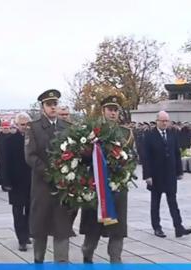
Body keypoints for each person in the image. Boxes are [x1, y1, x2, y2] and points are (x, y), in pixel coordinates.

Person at [79, 95, 134, 263]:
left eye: (116, 110)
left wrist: (125, 165)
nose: (113, 113)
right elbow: (82, 158)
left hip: (117, 188)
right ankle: (87, 255)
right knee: (92, 228)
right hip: (95, 185)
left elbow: (133, 157)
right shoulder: (92, 131)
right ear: (103, 111)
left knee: (117, 229)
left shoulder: (126, 133)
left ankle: (115, 260)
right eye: (110, 109)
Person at [25, 89, 75, 263]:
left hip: (63, 189)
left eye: (55, 104)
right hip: (42, 187)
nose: (53, 107)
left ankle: (62, 264)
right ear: (43, 107)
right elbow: (30, 156)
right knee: (40, 231)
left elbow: (74, 153)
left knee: (62, 230)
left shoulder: (67, 128)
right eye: (49, 104)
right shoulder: (34, 127)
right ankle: (38, 262)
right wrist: (50, 173)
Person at [142, 111, 191, 238]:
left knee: (173, 201)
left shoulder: (171, 134)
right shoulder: (149, 136)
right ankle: (157, 227)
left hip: (170, 174)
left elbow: (176, 153)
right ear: (157, 121)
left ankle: (178, 227)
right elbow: (146, 157)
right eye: (162, 120)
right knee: (156, 202)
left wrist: (179, 171)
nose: (165, 123)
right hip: (156, 175)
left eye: (166, 121)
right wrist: (147, 175)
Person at [5, 113, 32, 251]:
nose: (25, 127)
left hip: (31, 181)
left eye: (28, 124)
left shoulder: (34, 139)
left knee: (30, 209)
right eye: (22, 125)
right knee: (17, 210)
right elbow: (5, 163)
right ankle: (21, 238)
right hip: (16, 182)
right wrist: (6, 182)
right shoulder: (10, 140)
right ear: (16, 125)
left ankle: (27, 234)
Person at [0, 121, 11, 191]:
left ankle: (10, 184)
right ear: (2, 128)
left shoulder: (12, 136)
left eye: (7, 128)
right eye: (4, 128)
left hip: (10, 158)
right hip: (0, 158)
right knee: (2, 171)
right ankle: (4, 185)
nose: (6, 129)